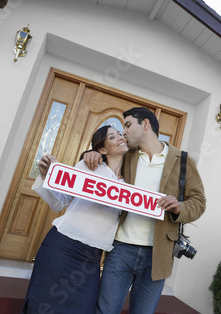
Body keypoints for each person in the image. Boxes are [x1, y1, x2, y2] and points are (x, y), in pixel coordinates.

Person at [83, 107, 206, 314]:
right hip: (120, 249)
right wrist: (92, 153)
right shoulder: (126, 156)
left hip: (158, 254)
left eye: (128, 125)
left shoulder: (183, 160)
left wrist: (179, 207)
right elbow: (103, 163)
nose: (124, 132)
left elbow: (199, 202)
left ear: (146, 124)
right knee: (105, 311)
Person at [21, 125, 129, 314]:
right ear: (102, 149)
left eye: (120, 134)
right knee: (42, 307)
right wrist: (47, 175)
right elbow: (60, 203)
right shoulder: (89, 166)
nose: (120, 137)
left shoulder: (130, 183)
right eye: (113, 136)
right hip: (62, 246)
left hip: (91, 259)